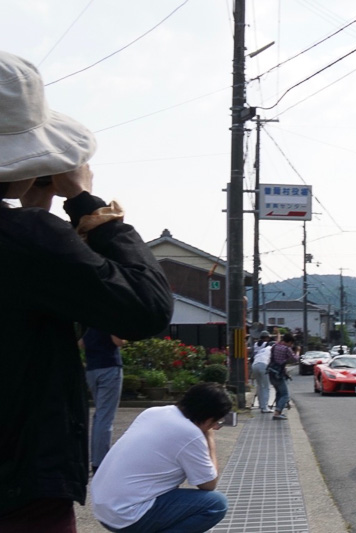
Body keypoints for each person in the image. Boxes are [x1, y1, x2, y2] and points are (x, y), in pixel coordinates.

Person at [0, 51, 173, 532]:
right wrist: (85, 203)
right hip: (19, 491)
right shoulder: (26, 240)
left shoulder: (27, 240)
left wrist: (34, 212)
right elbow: (147, 309)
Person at [92, 382, 232, 532]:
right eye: (217, 421)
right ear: (209, 418)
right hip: (127, 516)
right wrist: (209, 439)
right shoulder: (190, 434)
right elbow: (209, 484)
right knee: (215, 504)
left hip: (103, 508)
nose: (215, 426)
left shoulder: (154, 412)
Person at [80, 328, 126, 473]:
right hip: (110, 366)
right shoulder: (111, 318)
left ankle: (94, 458)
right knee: (105, 417)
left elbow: (81, 343)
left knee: (99, 415)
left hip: (92, 370)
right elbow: (117, 341)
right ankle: (100, 462)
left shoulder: (91, 322)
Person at [268, 332, 298, 420]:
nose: (291, 345)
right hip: (279, 374)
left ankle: (277, 412)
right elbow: (295, 359)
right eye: (291, 343)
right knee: (285, 394)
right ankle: (277, 413)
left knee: (279, 393)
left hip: (271, 372)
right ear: (289, 342)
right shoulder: (286, 349)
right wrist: (297, 352)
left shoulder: (275, 346)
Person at [251, 332, 273, 413]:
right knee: (266, 387)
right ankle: (265, 407)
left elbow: (253, 355)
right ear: (266, 337)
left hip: (255, 364)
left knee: (259, 386)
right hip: (263, 364)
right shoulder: (268, 345)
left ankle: (261, 404)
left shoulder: (256, 344)